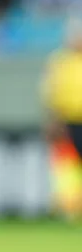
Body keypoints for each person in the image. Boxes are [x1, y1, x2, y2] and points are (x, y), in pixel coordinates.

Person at [42, 15, 82, 220]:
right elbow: (52, 93)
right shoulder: (60, 61)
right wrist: (54, 120)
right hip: (68, 121)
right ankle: (71, 209)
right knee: (67, 166)